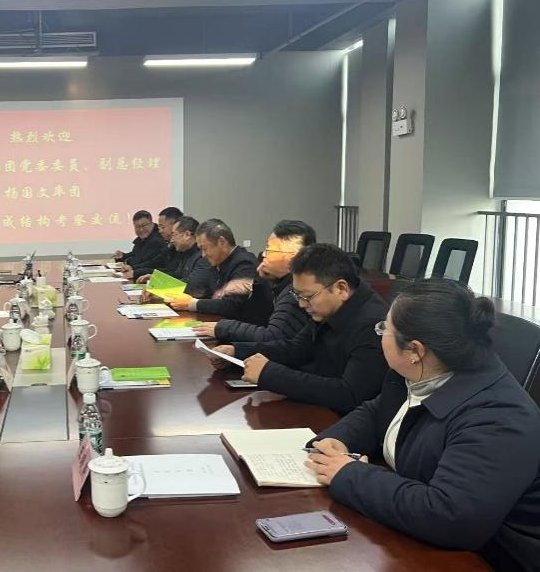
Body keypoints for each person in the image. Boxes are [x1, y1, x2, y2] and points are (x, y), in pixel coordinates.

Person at [305, 280, 540, 571]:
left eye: (384, 328)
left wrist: (350, 474)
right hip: (417, 536)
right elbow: (377, 411)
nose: (380, 333)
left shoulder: (499, 418)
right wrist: (339, 439)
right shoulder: (418, 374)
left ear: (415, 350)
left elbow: (450, 517)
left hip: (492, 559)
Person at [211, 243, 388, 414]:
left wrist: (271, 374)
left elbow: (349, 395)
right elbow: (296, 349)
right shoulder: (328, 308)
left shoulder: (372, 326)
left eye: (307, 296)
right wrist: (237, 352)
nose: (302, 304)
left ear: (341, 289)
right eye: (298, 296)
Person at [194, 220, 314, 342]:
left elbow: (274, 337)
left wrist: (224, 327)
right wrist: (236, 349)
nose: (264, 255)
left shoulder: (297, 292)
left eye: (270, 251)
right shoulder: (279, 283)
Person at [168, 218, 261, 318]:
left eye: (205, 248)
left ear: (221, 242)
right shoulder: (218, 262)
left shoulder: (245, 264)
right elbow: (207, 293)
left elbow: (231, 305)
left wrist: (192, 304)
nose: (203, 255)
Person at [137, 215, 212, 297]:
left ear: (187, 235)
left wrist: (157, 285)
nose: (172, 240)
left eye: (174, 235)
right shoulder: (186, 253)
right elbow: (177, 275)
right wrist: (156, 278)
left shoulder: (203, 256)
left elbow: (191, 286)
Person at [126, 207, 182, 280]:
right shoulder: (170, 245)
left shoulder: (158, 241)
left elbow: (175, 273)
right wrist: (134, 268)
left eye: (162, 227)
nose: (160, 231)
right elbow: (158, 260)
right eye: (159, 226)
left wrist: (138, 272)